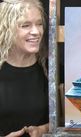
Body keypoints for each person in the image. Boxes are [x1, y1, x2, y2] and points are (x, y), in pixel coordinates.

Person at [0, 0, 49, 136]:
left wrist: (43, 130)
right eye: (25, 25)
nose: (36, 32)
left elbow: (69, 120)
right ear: (7, 28)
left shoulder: (52, 70)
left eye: (39, 24)